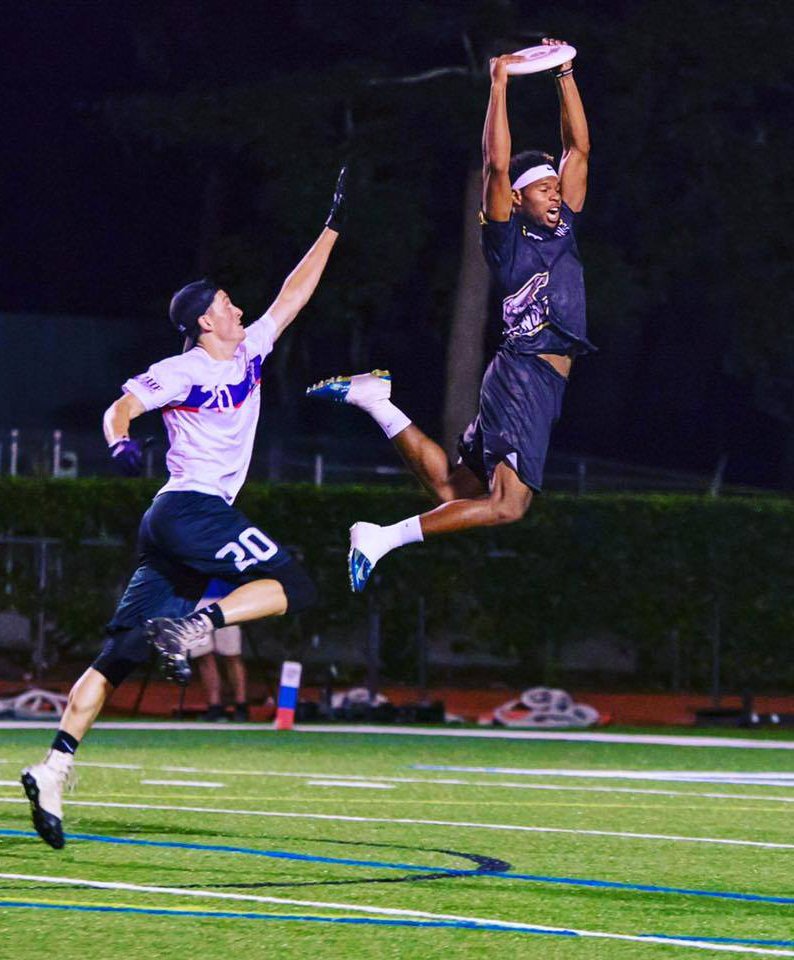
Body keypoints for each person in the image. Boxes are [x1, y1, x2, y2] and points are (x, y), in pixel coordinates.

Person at [21, 169, 348, 848]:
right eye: (226, 301)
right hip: (190, 508)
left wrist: (333, 226)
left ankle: (52, 768)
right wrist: (117, 444)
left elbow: (294, 294)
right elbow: (123, 407)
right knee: (294, 585)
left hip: (176, 524)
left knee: (119, 655)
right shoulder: (186, 368)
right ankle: (196, 624)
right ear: (205, 319)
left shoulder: (251, 349)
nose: (237, 305)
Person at [308, 39, 593, 592]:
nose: (555, 193)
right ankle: (380, 537)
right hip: (524, 376)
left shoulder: (564, 230)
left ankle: (377, 402)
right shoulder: (506, 239)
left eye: (556, 186)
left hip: (528, 383)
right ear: (517, 198)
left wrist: (565, 73)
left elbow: (578, 148)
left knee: (452, 493)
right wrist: (501, 83)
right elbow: (495, 162)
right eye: (542, 188)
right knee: (509, 506)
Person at [192, 580, 249, 722]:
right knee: (203, 655)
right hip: (193, 598)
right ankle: (214, 706)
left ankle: (241, 705)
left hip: (226, 597)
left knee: (231, 654)